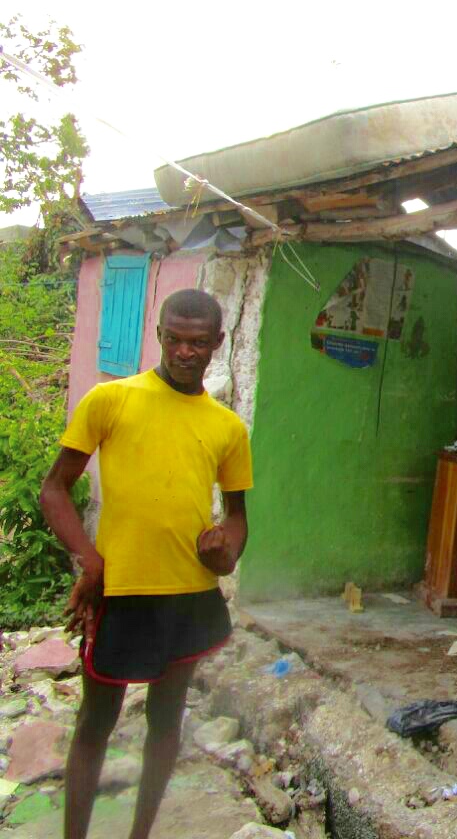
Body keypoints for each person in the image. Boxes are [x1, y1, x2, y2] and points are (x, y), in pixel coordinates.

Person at [40, 288, 252, 839]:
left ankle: (140, 835)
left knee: (167, 720)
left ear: (217, 345)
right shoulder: (111, 401)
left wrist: (224, 550)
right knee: (95, 722)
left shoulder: (227, 427)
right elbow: (55, 490)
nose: (185, 352)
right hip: (123, 592)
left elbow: (237, 518)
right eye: (175, 339)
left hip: (188, 594)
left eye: (198, 342)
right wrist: (90, 564)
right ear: (158, 336)